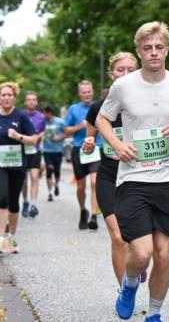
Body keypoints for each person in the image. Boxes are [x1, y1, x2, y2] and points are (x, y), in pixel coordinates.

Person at [97, 21, 169, 322]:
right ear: (139, 51)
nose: (154, 52)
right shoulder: (124, 87)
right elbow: (102, 119)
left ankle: (155, 315)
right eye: (148, 48)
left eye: (159, 47)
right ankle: (129, 285)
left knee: (164, 254)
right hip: (133, 179)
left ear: (167, 49)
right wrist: (117, 145)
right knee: (142, 252)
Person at [83, 52, 147, 293]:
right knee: (118, 237)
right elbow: (90, 139)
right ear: (112, 74)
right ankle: (126, 291)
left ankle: (136, 262)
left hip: (138, 175)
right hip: (109, 173)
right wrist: (89, 143)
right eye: (120, 70)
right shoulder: (99, 108)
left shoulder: (146, 105)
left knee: (136, 239)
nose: (126, 74)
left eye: (131, 69)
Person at [0, 82, 40, 254]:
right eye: (3, 95)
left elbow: (33, 139)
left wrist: (18, 136)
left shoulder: (21, 116)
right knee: (2, 196)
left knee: (13, 202)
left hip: (17, 163)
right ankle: (0, 239)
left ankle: (11, 236)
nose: (6, 98)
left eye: (9, 95)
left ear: (14, 97)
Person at [65, 80, 101, 230]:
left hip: (96, 148)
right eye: (84, 92)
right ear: (80, 93)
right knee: (81, 186)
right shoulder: (73, 109)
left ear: (92, 92)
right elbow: (66, 131)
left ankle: (93, 215)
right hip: (79, 149)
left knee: (94, 182)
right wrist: (81, 126)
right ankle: (82, 211)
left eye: (89, 91)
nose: (87, 94)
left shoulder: (99, 106)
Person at [19, 91, 47, 218]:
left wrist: (39, 136)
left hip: (35, 150)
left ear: (36, 102)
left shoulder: (41, 117)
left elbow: (43, 131)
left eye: (33, 99)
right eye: (28, 99)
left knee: (34, 178)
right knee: (23, 180)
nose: (31, 101)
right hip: (22, 150)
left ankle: (33, 204)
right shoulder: (20, 115)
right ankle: (25, 201)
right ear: (25, 102)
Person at [41, 106, 65, 202]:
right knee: (49, 171)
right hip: (47, 150)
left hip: (58, 150)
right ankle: (50, 193)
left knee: (57, 172)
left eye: (45, 113)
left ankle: (57, 184)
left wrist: (59, 138)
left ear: (50, 113)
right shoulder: (42, 122)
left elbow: (67, 133)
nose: (44, 115)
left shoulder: (60, 122)